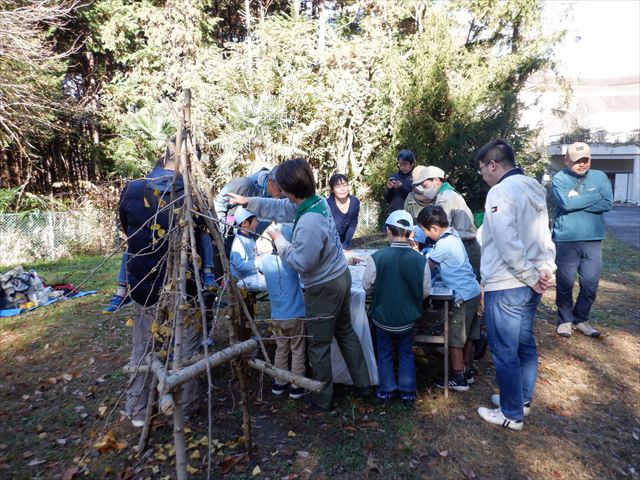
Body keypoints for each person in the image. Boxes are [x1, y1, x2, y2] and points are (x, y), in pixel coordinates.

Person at [227, 159, 373, 412]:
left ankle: (322, 397)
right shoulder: (313, 202)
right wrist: (248, 203)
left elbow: (302, 262)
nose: (279, 191)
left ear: (291, 189)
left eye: (281, 187)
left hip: (325, 286)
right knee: (345, 332)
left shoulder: (308, 221)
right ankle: (363, 385)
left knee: (318, 345)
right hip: (340, 277)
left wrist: (280, 240)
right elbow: (280, 208)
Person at [474, 138, 555, 431]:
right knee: (523, 344)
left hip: (507, 282)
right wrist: (545, 268)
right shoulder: (533, 188)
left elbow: (507, 243)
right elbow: (543, 235)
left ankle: (510, 414)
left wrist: (533, 276)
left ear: (493, 164)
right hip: (531, 280)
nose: (482, 175)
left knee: (504, 349)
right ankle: (520, 400)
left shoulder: (500, 192)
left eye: (482, 169)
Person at [119, 143, 200, 427]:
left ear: (162, 157)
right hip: (184, 284)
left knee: (143, 346)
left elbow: (127, 232)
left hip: (143, 283)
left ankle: (139, 410)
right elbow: (203, 239)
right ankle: (184, 406)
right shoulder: (192, 193)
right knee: (185, 346)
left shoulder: (132, 189)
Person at [362, 210, 430, 406]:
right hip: (408, 319)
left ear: (387, 231)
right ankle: (408, 392)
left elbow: (367, 287)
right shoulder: (420, 260)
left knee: (383, 351)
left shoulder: (377, 257)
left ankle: (386, 390)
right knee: (406, 351)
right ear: (410, 234)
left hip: (382, 317)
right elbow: (425, 291)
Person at [417, 205, 481, 391]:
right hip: (472, 292)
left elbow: (426, 268)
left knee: (454, 337)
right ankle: (466, 369)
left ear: (434, 228)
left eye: (425, 231)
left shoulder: (444, 244)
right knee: (468, 334)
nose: (425, 236)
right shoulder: (453, 235)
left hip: (461, 295)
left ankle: (457, 376)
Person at [552, 142, 613, 339]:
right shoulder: (560, 178)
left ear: (590, 159)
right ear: (567, 160)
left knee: (590, 284)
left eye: (585, 160)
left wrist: (579, 198)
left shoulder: (600, 176)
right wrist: (594, 195)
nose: (582, 164)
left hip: (593, 238)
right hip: (566, 239)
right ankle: (565, 320)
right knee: (565, 283)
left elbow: (607, 203)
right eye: (577, 161)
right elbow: (566, 204)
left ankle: (580, 319)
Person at [261, 224, 307, 400]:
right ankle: (296, 385)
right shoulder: (292, 261)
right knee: (297, 350)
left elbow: (259, 267)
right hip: (295, 313)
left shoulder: (265, 261)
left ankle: (279, 383)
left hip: (277, 316)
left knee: (281, 349)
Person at [415, 165, 481, 281]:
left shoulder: (444, 197)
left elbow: (439, 227)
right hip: (467, 243)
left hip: (465, 245)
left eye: (425, 186)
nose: (424, 190)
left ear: (436, 181)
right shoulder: (448, 193)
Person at [213, 166, 282, 236]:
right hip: (228, 231)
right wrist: (220, 233)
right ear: (270, 181)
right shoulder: (246, 184)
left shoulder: (281, 199)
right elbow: (220, 204)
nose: (282, 193)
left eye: (285, 190)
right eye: (280, 189)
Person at [229, 206, 267, 291]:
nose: (257, 223)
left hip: (253, 277)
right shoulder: (238, 243)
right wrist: (258, 263)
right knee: (275, 282)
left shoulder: (250, 238)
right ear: (245, 223)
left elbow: (254, 256)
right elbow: (240, 266)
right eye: (255, 220)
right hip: (243, 281)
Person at [326, 173, 360, 250]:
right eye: (338, 186)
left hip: (344, 243)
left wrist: (345, 244)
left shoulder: (355, 202)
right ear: (332, 189)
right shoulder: (327, 204)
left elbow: (352, 225)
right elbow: (325, 229)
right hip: (328, 244)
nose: (342, 189)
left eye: (345, 185)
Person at [385, 150, 415, 214]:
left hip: (410, 214)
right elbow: (387, 199)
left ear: (412, 164)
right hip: (394, 213)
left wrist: (402, 187)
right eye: (400, 164)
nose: (402, 167)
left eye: (405, 164)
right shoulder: (394, 177)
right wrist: (389, 189)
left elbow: (416, 197)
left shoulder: (416, 178)